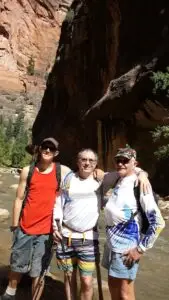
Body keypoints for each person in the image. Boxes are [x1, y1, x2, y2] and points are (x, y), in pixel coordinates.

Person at [53, 148, 150, 300]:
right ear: (77, 162)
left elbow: (126, 168)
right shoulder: (68, 179)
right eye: (83, 159)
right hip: (66, 235)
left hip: (89, 238)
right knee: (68, 276)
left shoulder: (102, 180)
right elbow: (59, 203)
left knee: (86, 280)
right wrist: (55, 226)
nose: (87, 163)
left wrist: (143, 174)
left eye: (91, 160)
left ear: (96, 163)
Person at [0, 137, 71, 300]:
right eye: (45, 147)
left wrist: (142, 173)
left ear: (56, 153)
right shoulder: (28, 170)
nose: (47, 151)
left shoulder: (63, 171)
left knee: (39, 270)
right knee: (17, 263)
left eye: (51, 149)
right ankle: (10, 294)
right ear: (39, 149)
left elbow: (84, 174)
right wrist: (14, 225)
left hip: (47, 231)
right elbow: (19, 198)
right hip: (25, 226)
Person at [102, 147, 165, 300]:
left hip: (127, 248)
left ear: (134, 163)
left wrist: (140, 249)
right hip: (111, 245)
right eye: (118, 160)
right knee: (112, 284)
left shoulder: (140, 184)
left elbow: (158, 223)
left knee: (125, 292)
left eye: (125, 161)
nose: (121, 164)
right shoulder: (117, 179)